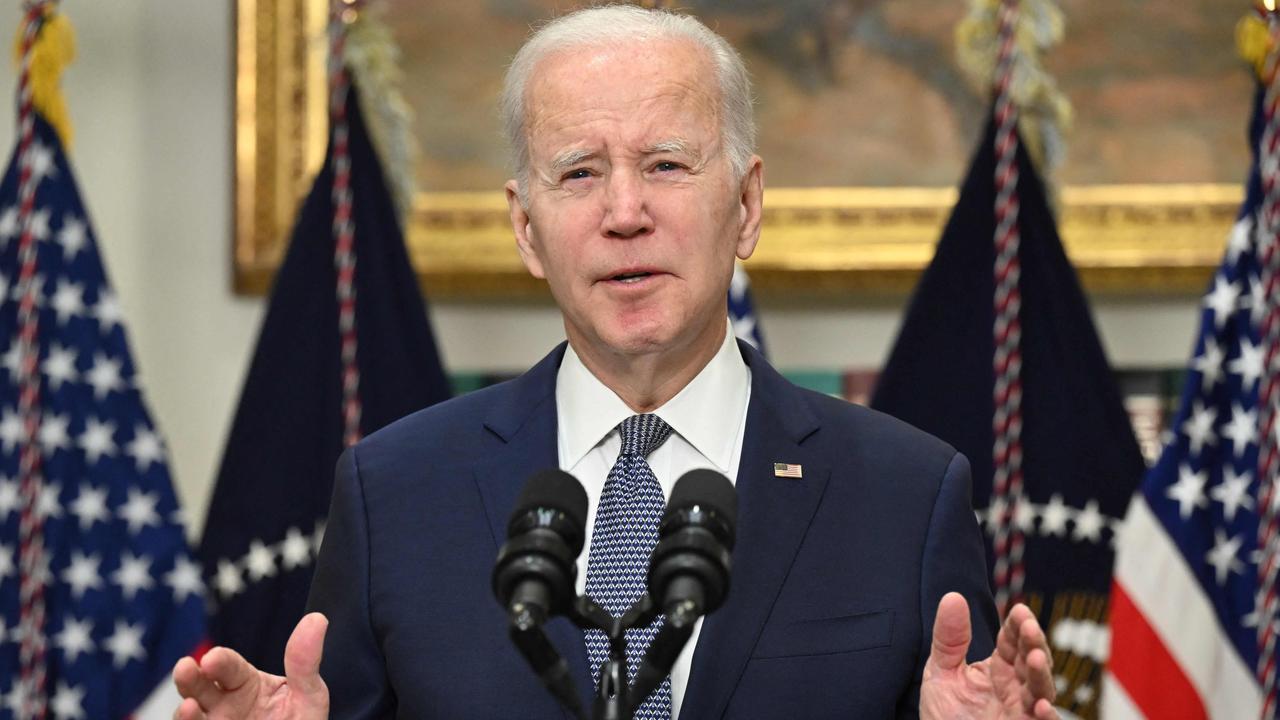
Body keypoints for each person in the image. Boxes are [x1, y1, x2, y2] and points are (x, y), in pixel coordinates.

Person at [173, 5, 1058, 719]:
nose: (625, 212)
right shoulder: (394, 492)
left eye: (667, 164)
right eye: (581, 173)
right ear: (527, 228)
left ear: (746, 205)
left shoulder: (905, 493)